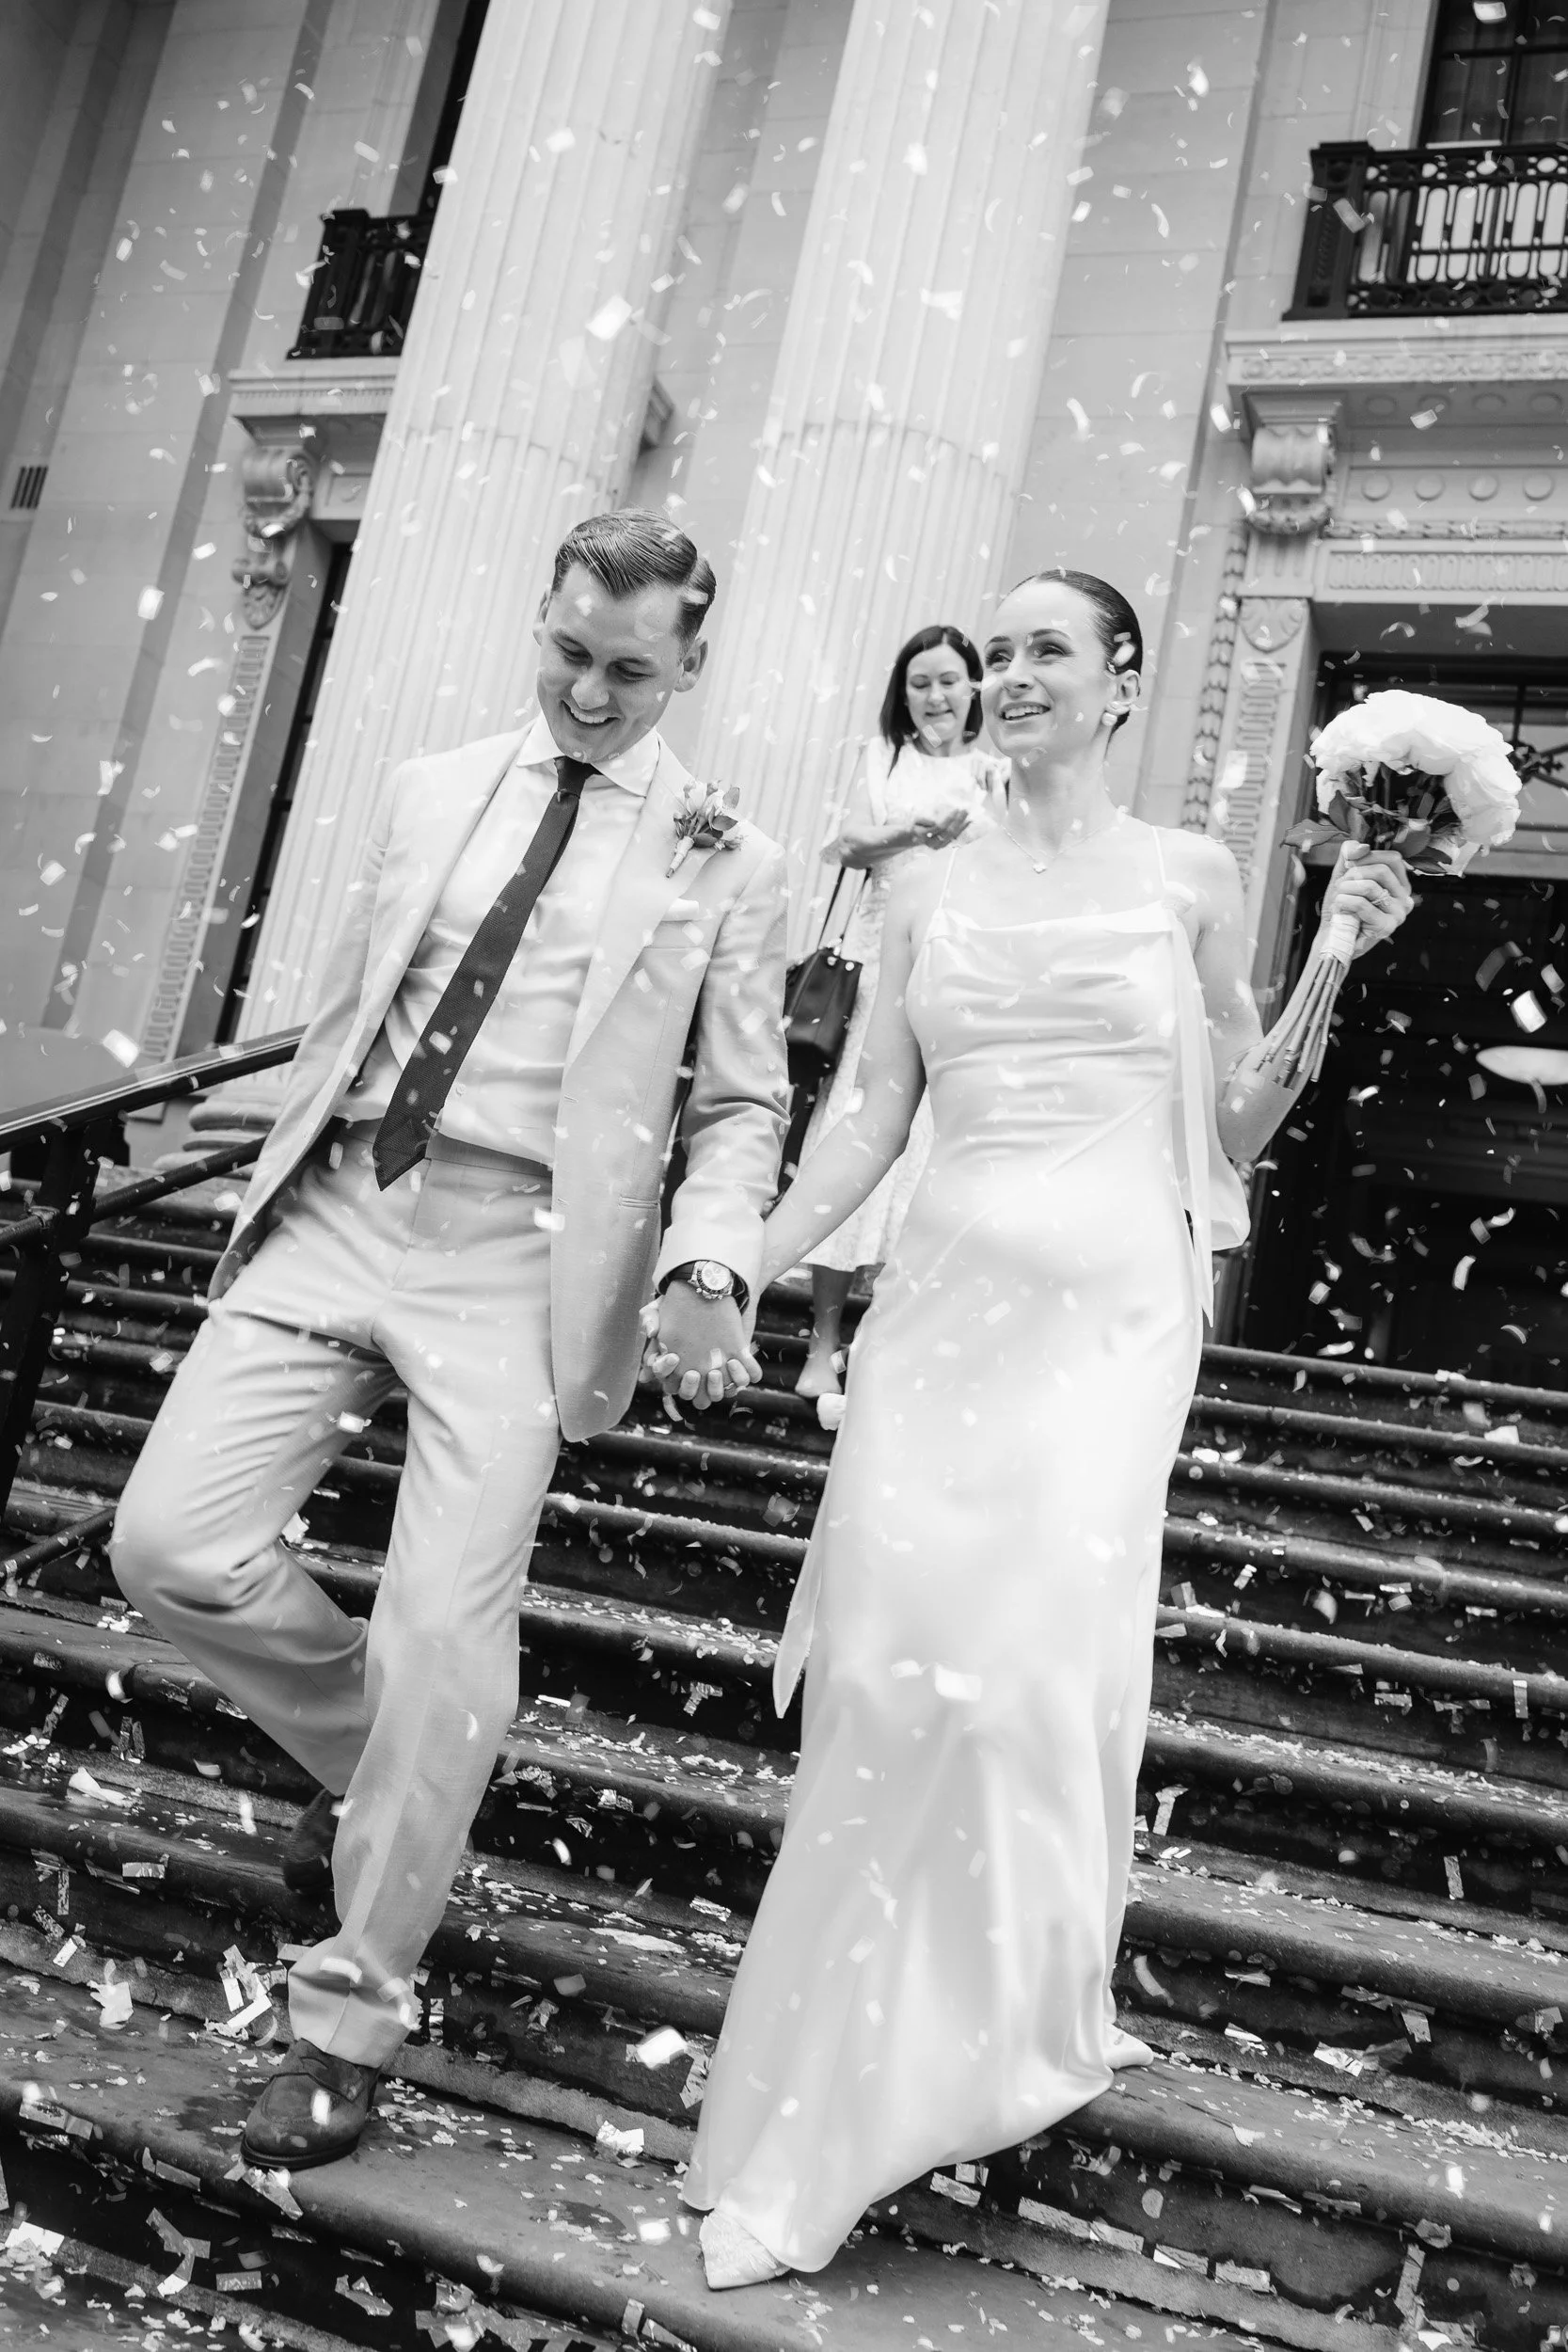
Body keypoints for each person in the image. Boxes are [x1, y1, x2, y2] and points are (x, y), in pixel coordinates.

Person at [682, 566, 1414, 2288]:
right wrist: (726, 1259)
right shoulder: (925, 888)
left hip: (1107, 1322)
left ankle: (997, 2026)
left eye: (1044, 652)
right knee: (882, 1678)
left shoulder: (1185, 876)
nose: (1010, 675)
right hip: (940, 1318)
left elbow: (1232, 1126)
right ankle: (876, 2055)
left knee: (1012, 1672)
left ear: (1120, 680)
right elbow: (863, 1125)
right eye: (993, 651)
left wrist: (1329, 959)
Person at [110, 510, 789, 2169]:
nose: (589, 690)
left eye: (630, 669)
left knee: (444, 1637)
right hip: (343, 1199)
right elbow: (354, 1004)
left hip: (525, 1254)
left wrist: (712, 1267)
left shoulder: (727, 857)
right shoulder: (427, 786)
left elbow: (744, 1104)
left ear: (688, 663)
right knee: (168, 1545)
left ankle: (347, 2021)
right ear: (539, 622)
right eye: (568, 651)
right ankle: (397, 1775)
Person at [795, 626, 1001, 1402]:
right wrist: (911, 833)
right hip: (879, 973)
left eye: (949, 681)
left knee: (924, 1154)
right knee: (853, 1139)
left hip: (956, 977)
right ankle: (820, 1340)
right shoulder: (883, 760)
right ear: (901, 692)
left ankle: (885, 1336)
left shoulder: (995, 772)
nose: (936, 697)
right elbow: (841, 844)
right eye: (920, 683)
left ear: (973, 687)